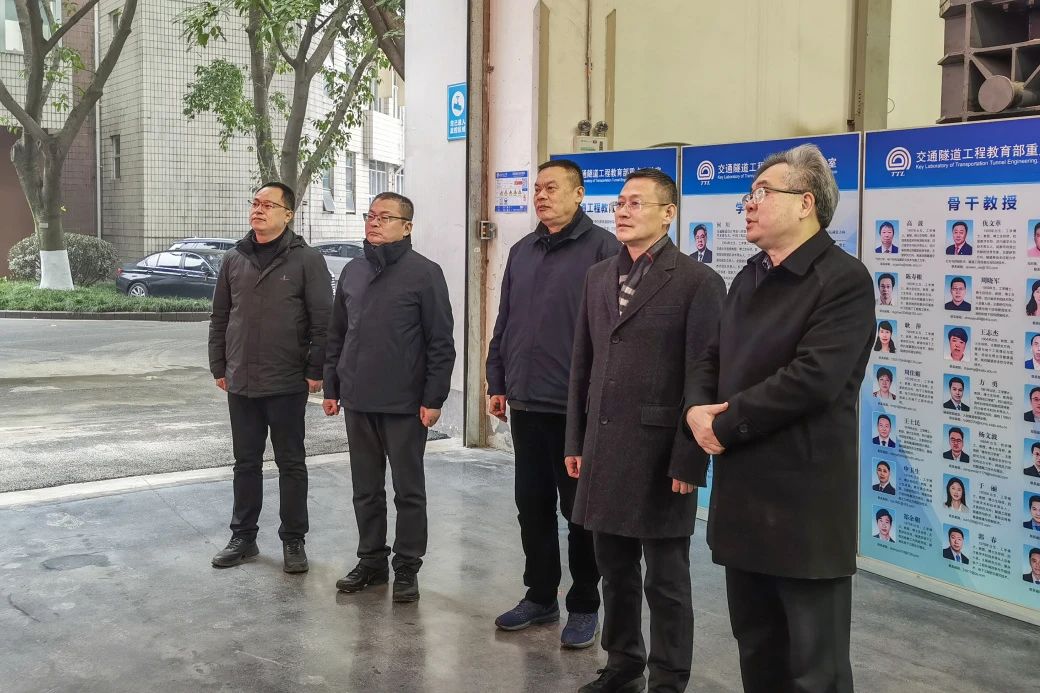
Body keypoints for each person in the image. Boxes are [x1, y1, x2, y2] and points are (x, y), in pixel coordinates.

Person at [684, 143, 875, 693]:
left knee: (815, 668)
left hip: (804, 505)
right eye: (749, 194)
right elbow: (711, 355)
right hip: (744, 499)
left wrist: (722, 425)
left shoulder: (843, 280)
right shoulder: (750, 275)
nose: (749, 204)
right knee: (758, 649)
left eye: (762, 193)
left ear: (805, 203)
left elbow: (813, 379)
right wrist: (695, 409)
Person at [566, 168, 725, 693]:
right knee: (614, 570)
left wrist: (690, 456)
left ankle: (669, 678)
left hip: (661, 453)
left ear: (668, 213)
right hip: (603, 445)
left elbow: (704, 374)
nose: (623, 210)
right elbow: (583, 364)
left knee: (667, 580)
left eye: (637, 202)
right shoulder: (598, 276)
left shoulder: (698, 282)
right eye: (620, 202)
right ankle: (622, 662)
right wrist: (575, 440)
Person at [486, 159, 619, 647]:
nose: (541, 196)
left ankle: (584, 604)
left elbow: (613, 332)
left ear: (580, 194)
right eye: (537, 189)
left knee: (579, 511)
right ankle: (540, 595)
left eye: (552, 188)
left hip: (575, 408)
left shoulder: (604, 249)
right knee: (532, 504)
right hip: (526, 401)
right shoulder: (522, 250)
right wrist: (496, 379)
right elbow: (505, 320)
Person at [322, 192, 455, 603]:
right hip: (358, 399)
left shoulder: (425, 273)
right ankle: (371, 561)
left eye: (385, 217)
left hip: (405, 404)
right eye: (370, 215)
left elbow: (440, 342)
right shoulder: (353, 271)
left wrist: (434, 398)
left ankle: (407, 567)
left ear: (407, 227)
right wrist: (332, 386)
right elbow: (337, 334)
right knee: (365, 488)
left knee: (407, 490)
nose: (374, 222)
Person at [208, 182, 332, 572]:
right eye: (255, 203)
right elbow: (220, 316)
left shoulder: (307, 260)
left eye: (268, 205)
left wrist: (315, 370)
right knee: (245, 463)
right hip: (241, 379)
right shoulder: (234, 258)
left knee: (291, 463)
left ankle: (293, 540)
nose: (258, 210)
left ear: (288, 214)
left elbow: (323, 321)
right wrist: (219, 365)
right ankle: (243, 537)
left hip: (287, 380)